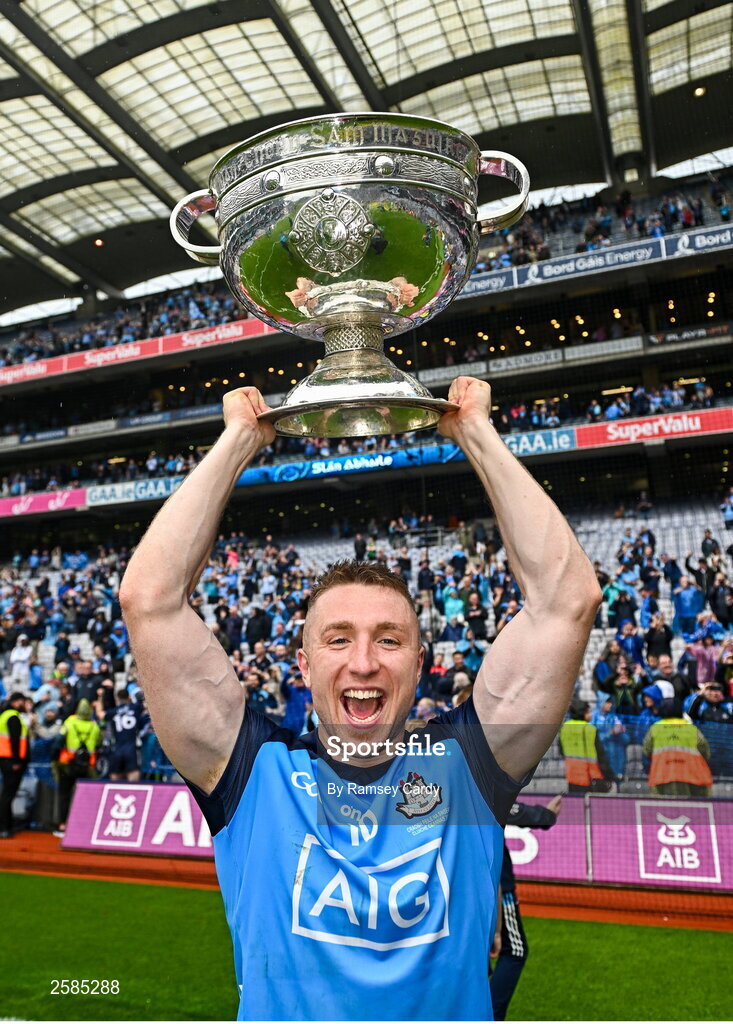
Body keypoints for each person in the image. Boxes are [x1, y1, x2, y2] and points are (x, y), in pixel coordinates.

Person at [119, 378, 601, 1022]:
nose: (365, 662)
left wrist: (475, 433)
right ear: (304, 663)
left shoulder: (468, 770)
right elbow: (148, 601)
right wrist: (239, 440)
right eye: (338, 639)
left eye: (390, 639)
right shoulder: (251, 775)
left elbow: (567, 602)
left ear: (422, 662)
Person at [490, 795, 562, 1021]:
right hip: (495, 888)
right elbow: (512, 809)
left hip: (456, 891)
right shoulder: (480, 783)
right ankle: (489, 1015)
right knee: (516, 951)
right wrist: (548, 815)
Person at [642, 698, 713, 796]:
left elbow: (646, 751)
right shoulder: (691, 728)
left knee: (665, 808)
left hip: (662, 775)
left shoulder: (655, 728)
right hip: (692, 775)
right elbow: (705, 751)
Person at [54, 698, 101, 836]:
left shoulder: (70, 722)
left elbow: (58, 741)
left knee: (64, 795)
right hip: (87, 766)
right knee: (85, 797)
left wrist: (54, 759)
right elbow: (99, 743)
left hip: (67, 765)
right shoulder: (95, 726)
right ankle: (82, 826)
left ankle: (62, 825)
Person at [558, 699, 613, 792]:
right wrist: (609, 775)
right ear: (582, 713)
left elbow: (561, 750)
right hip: (590, 776)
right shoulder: (590, 729)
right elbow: (601, 755)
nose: (590, 714)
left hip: (572, 775)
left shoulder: (564, 727)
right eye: (588, 712)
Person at [0, 692, 30, 838]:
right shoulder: (13, 717)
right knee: (8, 794)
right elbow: (15, 741)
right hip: (11, 761)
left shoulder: (4, 715)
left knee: (6, 794)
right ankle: (5, 827)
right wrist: (17, 761)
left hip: (4, 759)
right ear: (17, 702)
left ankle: (6, 825)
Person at [105, 688, 148, 781]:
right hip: (131, 746)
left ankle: (113, 792)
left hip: (117, 746)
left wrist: (100, 698)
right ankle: (133, 791)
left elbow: (100, 714)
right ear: (129, 697)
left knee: (115, 774)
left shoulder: (113, 711)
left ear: (117, 698)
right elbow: (146, 706)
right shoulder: (135, 707)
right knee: (133, 771)